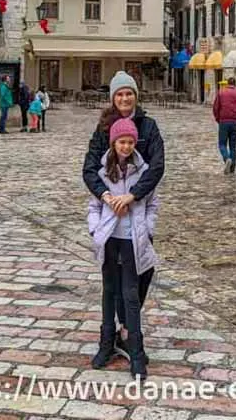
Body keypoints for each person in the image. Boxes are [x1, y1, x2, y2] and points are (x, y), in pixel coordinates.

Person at [83, 70, 164, 361]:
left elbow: (156, 167)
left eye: (129, 93)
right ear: (113, 98)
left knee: (143, 274)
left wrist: (133, 196)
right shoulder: (104, 129)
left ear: (135, 96)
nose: (125, 98)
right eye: (119, 94)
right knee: (115, 283)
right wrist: (106, 198)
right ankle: (123, 335)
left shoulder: (148, 127)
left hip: (138, 217)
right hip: (110, 221)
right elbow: (90, 169)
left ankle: (126, 328)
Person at [88, 118, 158, 379]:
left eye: (130, 142)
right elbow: (93, 205)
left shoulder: (144, 170)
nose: (126, 146)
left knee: (130, 293)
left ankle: (136, 352)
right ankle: (106, 343)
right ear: (113, 143)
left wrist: (148, 228)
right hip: (109, 237)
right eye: (121, 142)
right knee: (108, 291)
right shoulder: (103, 171)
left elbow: (153, 203)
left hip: (133, 239)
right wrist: (95, 229)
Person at [213, 76, 236, 174]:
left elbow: (216, 107)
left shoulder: (221, 93)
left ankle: (227, 158)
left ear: (227, 83)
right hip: (235, 122)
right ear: (235, 84)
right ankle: (232, 168)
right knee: (233, 146)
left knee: (222, 144)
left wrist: (218, 118)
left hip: (223, 121)